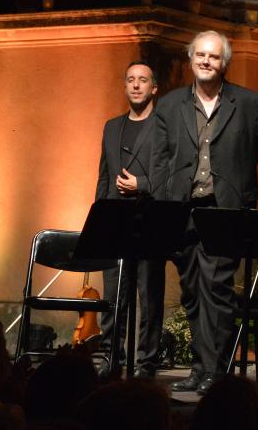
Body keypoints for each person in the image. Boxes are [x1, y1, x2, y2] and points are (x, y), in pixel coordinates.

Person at [151, 30, 258, 394]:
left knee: (217, 290)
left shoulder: (248, 103)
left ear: (225, 64)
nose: (206, 61)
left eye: (214, 57)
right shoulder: (171, 105)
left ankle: (215, 371)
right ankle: (201, 366)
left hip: (226, 211)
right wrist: (162, 200)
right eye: (200, 55)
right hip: (183, 212)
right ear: (191, 60)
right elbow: (158, 161)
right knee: (191, 292)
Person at [95, 60, 164, 379]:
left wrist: (143, 185)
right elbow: (104, 176)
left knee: (149, 293)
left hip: (149, 218)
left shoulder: (164, 128)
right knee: (114, 293)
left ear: (154, 88)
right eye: (131, 80)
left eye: (143, 80)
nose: (136, 85)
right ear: (125, 86)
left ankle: (147, 361)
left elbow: (171, 175)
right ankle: (112, 355)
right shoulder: (112, 126)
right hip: (115, 220)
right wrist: (99, 217)